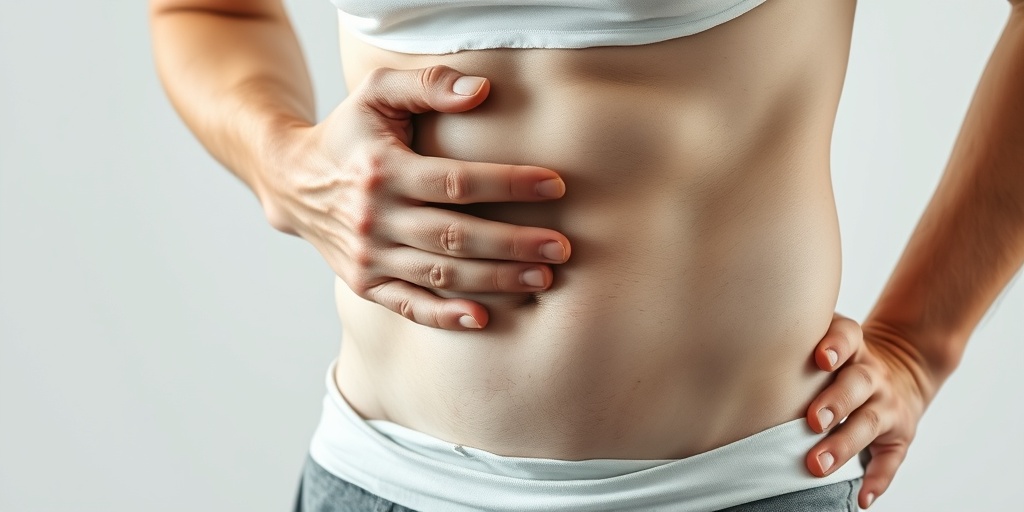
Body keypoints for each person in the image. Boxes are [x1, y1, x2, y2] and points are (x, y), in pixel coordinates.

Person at [149, 0, 1024, 510]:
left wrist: (919, 343)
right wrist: (279, 160)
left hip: (726, 495)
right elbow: (208, 9)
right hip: (376, 481)